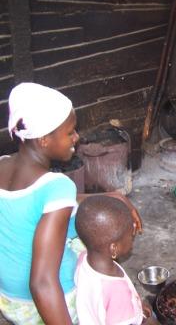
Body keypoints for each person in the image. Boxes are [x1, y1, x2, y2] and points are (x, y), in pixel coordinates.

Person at [0, 82, 142, 324]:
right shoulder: (57, 186)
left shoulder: (3, 165)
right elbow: (42, 283)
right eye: (70, 132)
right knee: (101, 238)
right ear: (44, 139)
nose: (77, 137)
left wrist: (112, 197)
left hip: (9, 299)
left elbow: (37, 205)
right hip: (47, 304)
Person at [75, 195, 158, 325]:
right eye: (131, 236)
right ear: (114, 249)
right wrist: (144, 321)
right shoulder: (118, 292)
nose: (133, 239)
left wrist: (137, 306)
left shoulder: (84, 259)